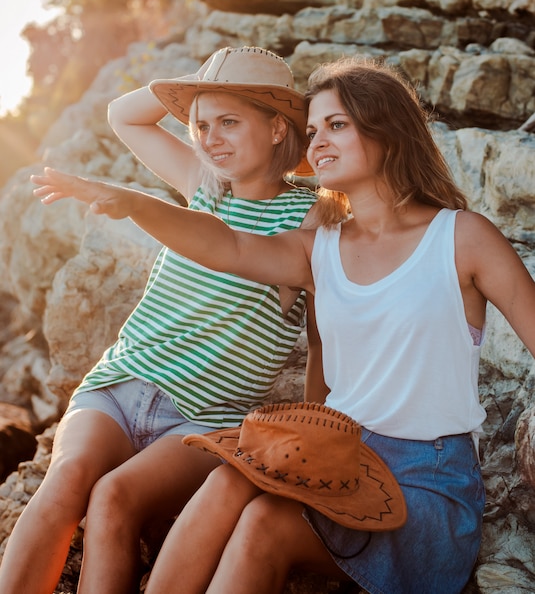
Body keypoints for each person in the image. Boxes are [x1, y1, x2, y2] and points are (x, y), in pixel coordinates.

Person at [25, 56, 535, 594]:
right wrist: (136, 204)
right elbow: (228, 245)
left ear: (388, 129)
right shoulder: (319, 248)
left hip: (424, 477)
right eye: (312, 131)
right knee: (228, 482)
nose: (316, 143)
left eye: (337, 125)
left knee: (262, 527)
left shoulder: (464, 238)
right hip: (339, 455)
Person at [0, 46, 345, 594]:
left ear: (280, 128)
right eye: (200, 124)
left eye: (229, 121)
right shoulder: (203, 186)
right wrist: (207, 81)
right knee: (65, 483)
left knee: (114, 497)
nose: (210, 138)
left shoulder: (314, 217)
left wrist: (315, 421)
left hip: (205, 419)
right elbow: (123, 114)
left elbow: (324, 337)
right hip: (120, 385)